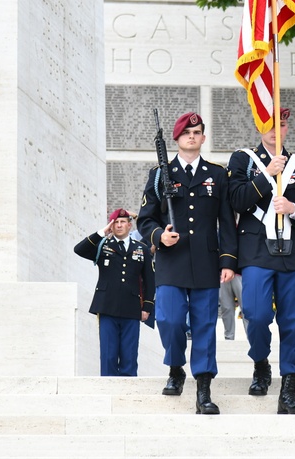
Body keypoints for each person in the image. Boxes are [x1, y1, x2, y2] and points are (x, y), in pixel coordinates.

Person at [138, 112, 237, 415]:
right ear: (177, 138)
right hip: (171, 260)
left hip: (206, 262)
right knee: (169, 319)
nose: (192, 136)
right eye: (186, 132)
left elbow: (227, 222)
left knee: (205, 325)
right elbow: (145, 219)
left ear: (204, 138)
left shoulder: (218, 174)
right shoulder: (160, 174)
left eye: (197, 132)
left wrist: (228, 260)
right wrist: (158, 236)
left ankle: (204, 389)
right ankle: (176, 366)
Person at [227, 107, 295, 415]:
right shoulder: (243, 160)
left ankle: (289, 388)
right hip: (256, 251)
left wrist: (294, 208)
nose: (276, 129)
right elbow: (236, 201)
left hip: (292, 254)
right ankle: (261, 361)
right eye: (269, 124)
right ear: (259, 127)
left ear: (288, 128)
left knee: (294, 323)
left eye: (281, 124)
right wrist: (267, 177)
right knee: (255, 314)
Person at [74, 209, 154, 377]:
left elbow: (149, 280)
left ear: (129, 225)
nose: (119, 225)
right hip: (107, 306)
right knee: (108, 354)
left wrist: (147, 307)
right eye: (115, 222)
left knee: (129, 356)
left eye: (122, 222)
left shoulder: (142, 249)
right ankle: (109, 390)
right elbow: (79, 249)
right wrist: (102, 232)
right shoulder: (103, 245)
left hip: (132, 308)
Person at [218, 273, 246, 341]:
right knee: (226, 307)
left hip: (240, 272)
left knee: (246, 307)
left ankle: (251, 336)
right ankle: (228, 337)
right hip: (222, 273)